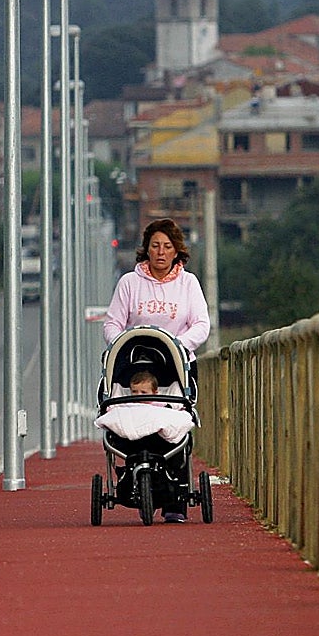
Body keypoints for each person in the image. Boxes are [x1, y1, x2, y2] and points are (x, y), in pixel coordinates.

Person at [103, 217, 211, 523]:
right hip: (135, 364)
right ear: (146, 249)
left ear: (176, 251)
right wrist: (119, 344)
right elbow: (112, 323)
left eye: (167, 246)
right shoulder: (129, 283)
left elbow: (201, 324)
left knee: (178, 420)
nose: (161, 252)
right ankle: (131, 470)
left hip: (176, 365)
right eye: (155, 246)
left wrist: (179, 345)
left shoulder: (188, 283)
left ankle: (176, 499)